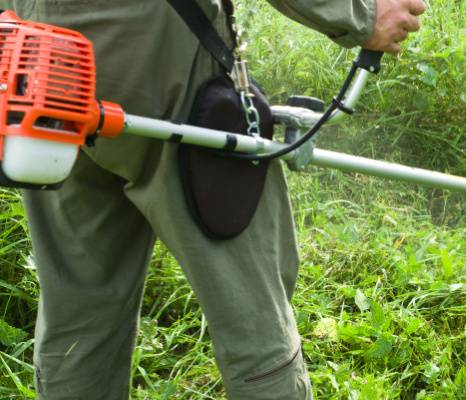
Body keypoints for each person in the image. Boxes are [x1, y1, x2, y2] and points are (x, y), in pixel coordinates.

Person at [0, 0, 425, 398]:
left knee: (80, 316)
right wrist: (363, 14)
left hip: (37, 64)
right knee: (252, 310)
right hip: (158, 60)